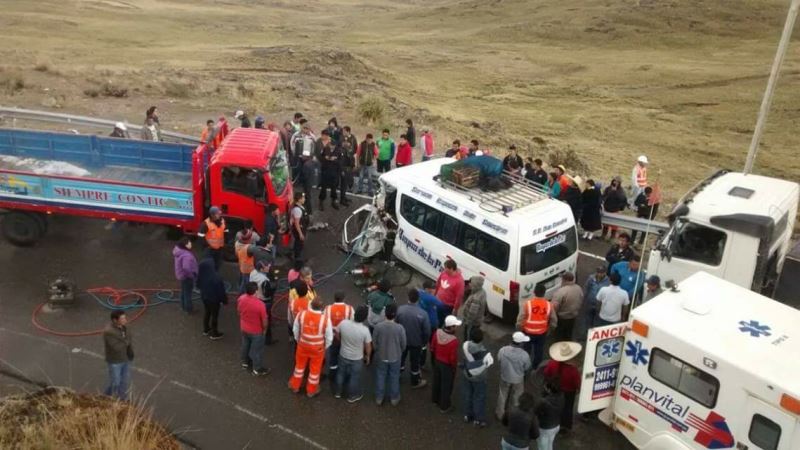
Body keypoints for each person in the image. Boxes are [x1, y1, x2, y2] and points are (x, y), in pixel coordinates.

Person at [289, 298, 333, 398]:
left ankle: (295, 386)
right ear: (321, 308)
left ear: (311, 305)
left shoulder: (302, 314)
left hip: (303, 345)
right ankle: (311, 391)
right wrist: (324, 347)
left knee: (299, 367)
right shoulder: (325, 319)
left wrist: (298, 340)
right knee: (315, 370)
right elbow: (329, 337)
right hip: (317, 349)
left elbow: (295, 329)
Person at [543, 342, 582, 435]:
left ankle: (554, 423)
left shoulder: (552, 363)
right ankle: (565, 427)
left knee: (554, 406)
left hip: (555, 389)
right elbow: (577, 383)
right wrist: (578, 389)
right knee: (567, 409)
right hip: (569, 392)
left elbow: (546, 373)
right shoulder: (573, 370)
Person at [336, 305, 372, 403]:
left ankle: (338, 392)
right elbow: (368, 346)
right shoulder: (365, 330)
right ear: (364, 318)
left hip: (343, 354)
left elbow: (337, 333)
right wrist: (368, 356)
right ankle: (352, 396)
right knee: (354, 377)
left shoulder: (343, 323)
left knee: (341, 373)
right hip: (357, 358)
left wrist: (340, 341)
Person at [373, 304, 407, 406]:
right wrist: (399, 351)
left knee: (380, 375)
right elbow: (403, 344)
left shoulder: (378, 327)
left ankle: (379, 397)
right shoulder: (400, 328)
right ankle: (394, 398)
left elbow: (374, 342)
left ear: (385, 314)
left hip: (381, 355)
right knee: (394, 376)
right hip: (395, 356)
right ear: (395, 315)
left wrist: (378, 350)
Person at [396, 289, 431, 389]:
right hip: (416, 342)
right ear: (418, 299)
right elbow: (427, 331)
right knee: (415, 362)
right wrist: (424, 341)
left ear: (408, 297)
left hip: (402, 341)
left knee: (401, 358)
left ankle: (397, 376)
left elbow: (396, 324)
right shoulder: (423, 314)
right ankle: (415, 381)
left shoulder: (400, 309)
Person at [516, 284, 556, 368]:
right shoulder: (549, 305)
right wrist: (550, 329)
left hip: (527, 332)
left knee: (526, 350)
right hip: (542, 333)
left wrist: (519, 328)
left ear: (534, 292)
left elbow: (520, 319)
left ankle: (524, 366)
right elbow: (554, 320)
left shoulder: (527, 304)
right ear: (544, 293)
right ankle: (536, 367)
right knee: (539, 351)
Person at [496, 332, 532, 421]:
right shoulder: (525, 355)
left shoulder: (503, 350)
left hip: (505, 376)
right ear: (521, 343)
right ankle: (514, 416)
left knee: (502, 395)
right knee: (517, 397)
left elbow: (499, 360)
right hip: (518, 379)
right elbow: (527, 367)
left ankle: (500, 414)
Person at [461, 328, 493, 427]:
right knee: (479, 397)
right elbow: (489, 364)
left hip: (467, 374)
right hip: (479, 378)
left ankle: (467, 414)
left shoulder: (465, 345)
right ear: (482, 339)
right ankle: (478, 419)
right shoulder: (486, 354)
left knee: (468, 394)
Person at [238, 282, 269, 376]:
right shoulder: (260, 304)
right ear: (255, 292)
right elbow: (264, 321)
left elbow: (239, 311)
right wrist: (264, 330)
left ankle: (245, 362)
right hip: (256, 331)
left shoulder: (241, 298)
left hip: (244, 328)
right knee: (256, 350)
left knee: (245, 345)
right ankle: (257, 368)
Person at [431, 315, 461, 413]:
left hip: (437, 361)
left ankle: (435, 399)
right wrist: (454, 367)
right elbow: (453, 358)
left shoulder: (437, 332)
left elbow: (433, 347)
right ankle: (444, 406)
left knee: (436, 381)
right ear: (451, 327)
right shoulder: (454, 341)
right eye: (455, 326)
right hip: (447, 365)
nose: (456, 327)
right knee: (446, 385)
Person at [324, 292, 354, 386]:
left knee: (333, 356)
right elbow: (352, 322)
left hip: (332, 337)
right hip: (344, 337)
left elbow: (324, 322)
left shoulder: (327, 308)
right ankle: (345, 375)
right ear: (344, 298)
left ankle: (332, 374)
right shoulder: (349, 309)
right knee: (345, 356)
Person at [103, 310, 134, 400]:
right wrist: (126, 342)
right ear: (115, 320)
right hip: (115, 361)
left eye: (125, 317)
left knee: (124, 381)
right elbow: (116, 347)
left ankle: (122, 398)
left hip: (126, 358)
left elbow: (129, 337)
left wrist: (127, 344)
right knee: (116, 382)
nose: (125, 320)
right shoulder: (108, 332)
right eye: (122, 318)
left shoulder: (126, 326)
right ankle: (106, 396)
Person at [197, 256, 227, 339]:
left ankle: (206, 329)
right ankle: (214, 333)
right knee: (214, 316)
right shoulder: (216, 278)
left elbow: (198, 285)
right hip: (214, 300)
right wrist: (224, 301)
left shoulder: (201, 275)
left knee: (207, 312)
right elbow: (221, 292)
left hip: (205, 297)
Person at [250, 260, 278, 345]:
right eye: (267, 267)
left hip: (255, 298)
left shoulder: (253, 273)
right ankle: (267, 339)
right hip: (264, 301)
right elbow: (267, 294)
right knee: (266, 319)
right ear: (262, 269)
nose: (269, 267)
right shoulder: (264, 280)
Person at [551, 272, 584, 342]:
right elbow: (581, 299)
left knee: (559, 335)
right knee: (569, 334)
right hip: (573, 316)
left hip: (562, 318)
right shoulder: (578, 288)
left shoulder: (561, 292)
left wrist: (553, 317)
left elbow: (554, 307)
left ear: (564, 280)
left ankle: (558, 348)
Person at [535, 377, 565, 450]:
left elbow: (536, 411)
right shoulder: (562, 397)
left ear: (549, 390)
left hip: (545, 427)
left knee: (542, 447)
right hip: (556, 425)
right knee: (549, 444)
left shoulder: (544, 401)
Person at [172, 236, 197, 314]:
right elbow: (186, 268)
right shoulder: (187, 256)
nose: (191, 243)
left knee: (183, 291)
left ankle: (183, 306)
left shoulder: (178, 251)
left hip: (181, 275)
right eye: (189, 242)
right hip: (187, 277)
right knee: (188, 293)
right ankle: (189, 309)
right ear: (185, 245)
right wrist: (192, 275)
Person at [317, 130, 341, 211]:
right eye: (331, 146)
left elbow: (341, 161)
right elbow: (320, 157)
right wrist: (325, 158)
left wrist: (335, 160)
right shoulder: (325, 149)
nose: (331, 147)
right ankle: (321, 201)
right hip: (326, 171)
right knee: (323, 187)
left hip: (334, 172)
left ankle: (334, 201)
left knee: (334, 188)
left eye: (333, 146)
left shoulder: (338, 151)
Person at [435, 259, 465, 323]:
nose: (444, 269)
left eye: (446, 268)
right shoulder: (444, 273)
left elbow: (459, 296)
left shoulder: (459, 281)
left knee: (441, 321)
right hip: (437, 300)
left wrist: (455, 308)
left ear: (451, 269)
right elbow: (438, 283)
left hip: (447, 306)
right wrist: (435, 294)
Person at [197, 206, 226, 270]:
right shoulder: (205, 224)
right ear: (212, 215)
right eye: (218, 214)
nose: (219, 215)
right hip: (210, 250)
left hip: (219, 249)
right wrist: (207, 246)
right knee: (209, 266)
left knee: (217, 265)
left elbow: (225, 230)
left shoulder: (222, 221)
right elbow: (200, 236)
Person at [459, 276, 486, 341]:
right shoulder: (482, 291)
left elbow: (472, 313)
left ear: (475, 285)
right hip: (477, 321)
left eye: (471, 283)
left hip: (472, 322)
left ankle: (467, 345)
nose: (469, 284)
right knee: (473, 334)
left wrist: (467, 322)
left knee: (468, 334)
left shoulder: (476, 298)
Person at [583, 266, 610, 330]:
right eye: (598, 272)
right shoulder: (591, 278)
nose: (599, 274)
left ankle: (594, 332)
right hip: (590, 302)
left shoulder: (608, 281)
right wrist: (584, 297)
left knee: (597, 319)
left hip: (600, 304)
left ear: (605, 273)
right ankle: (586, 332)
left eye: (601, 273)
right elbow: (586, 287)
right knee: (587, 318)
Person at [235, 220, 258, 293]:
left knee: (241, 277)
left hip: (241, 263)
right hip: (248, 267)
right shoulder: (250, 246)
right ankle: (244, 293)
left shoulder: (237, 242)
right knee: (246, 282)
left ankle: (240, 290)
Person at [290, 192, 309, 259]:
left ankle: (297, 256)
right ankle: (297, 258)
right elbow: (296, 223)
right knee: (299, 244)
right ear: (299, 199)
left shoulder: (300, 207)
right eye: (303, 198)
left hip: (302, 228)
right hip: (299, 230)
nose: (304, 199)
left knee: (299, 243)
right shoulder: (297, 210)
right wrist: (300, 233)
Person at [338, 138, 355, 206]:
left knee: (346, 185)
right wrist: (342, 171)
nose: (347, 143)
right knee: (343, 185)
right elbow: (340, 162)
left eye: (348, 142)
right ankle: (342, 200)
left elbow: (351, 158)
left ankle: (344, 197)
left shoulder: (349, 150)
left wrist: (353, 166)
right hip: (344, 169)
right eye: (345, 142)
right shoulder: (342, 151)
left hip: (349, 169)